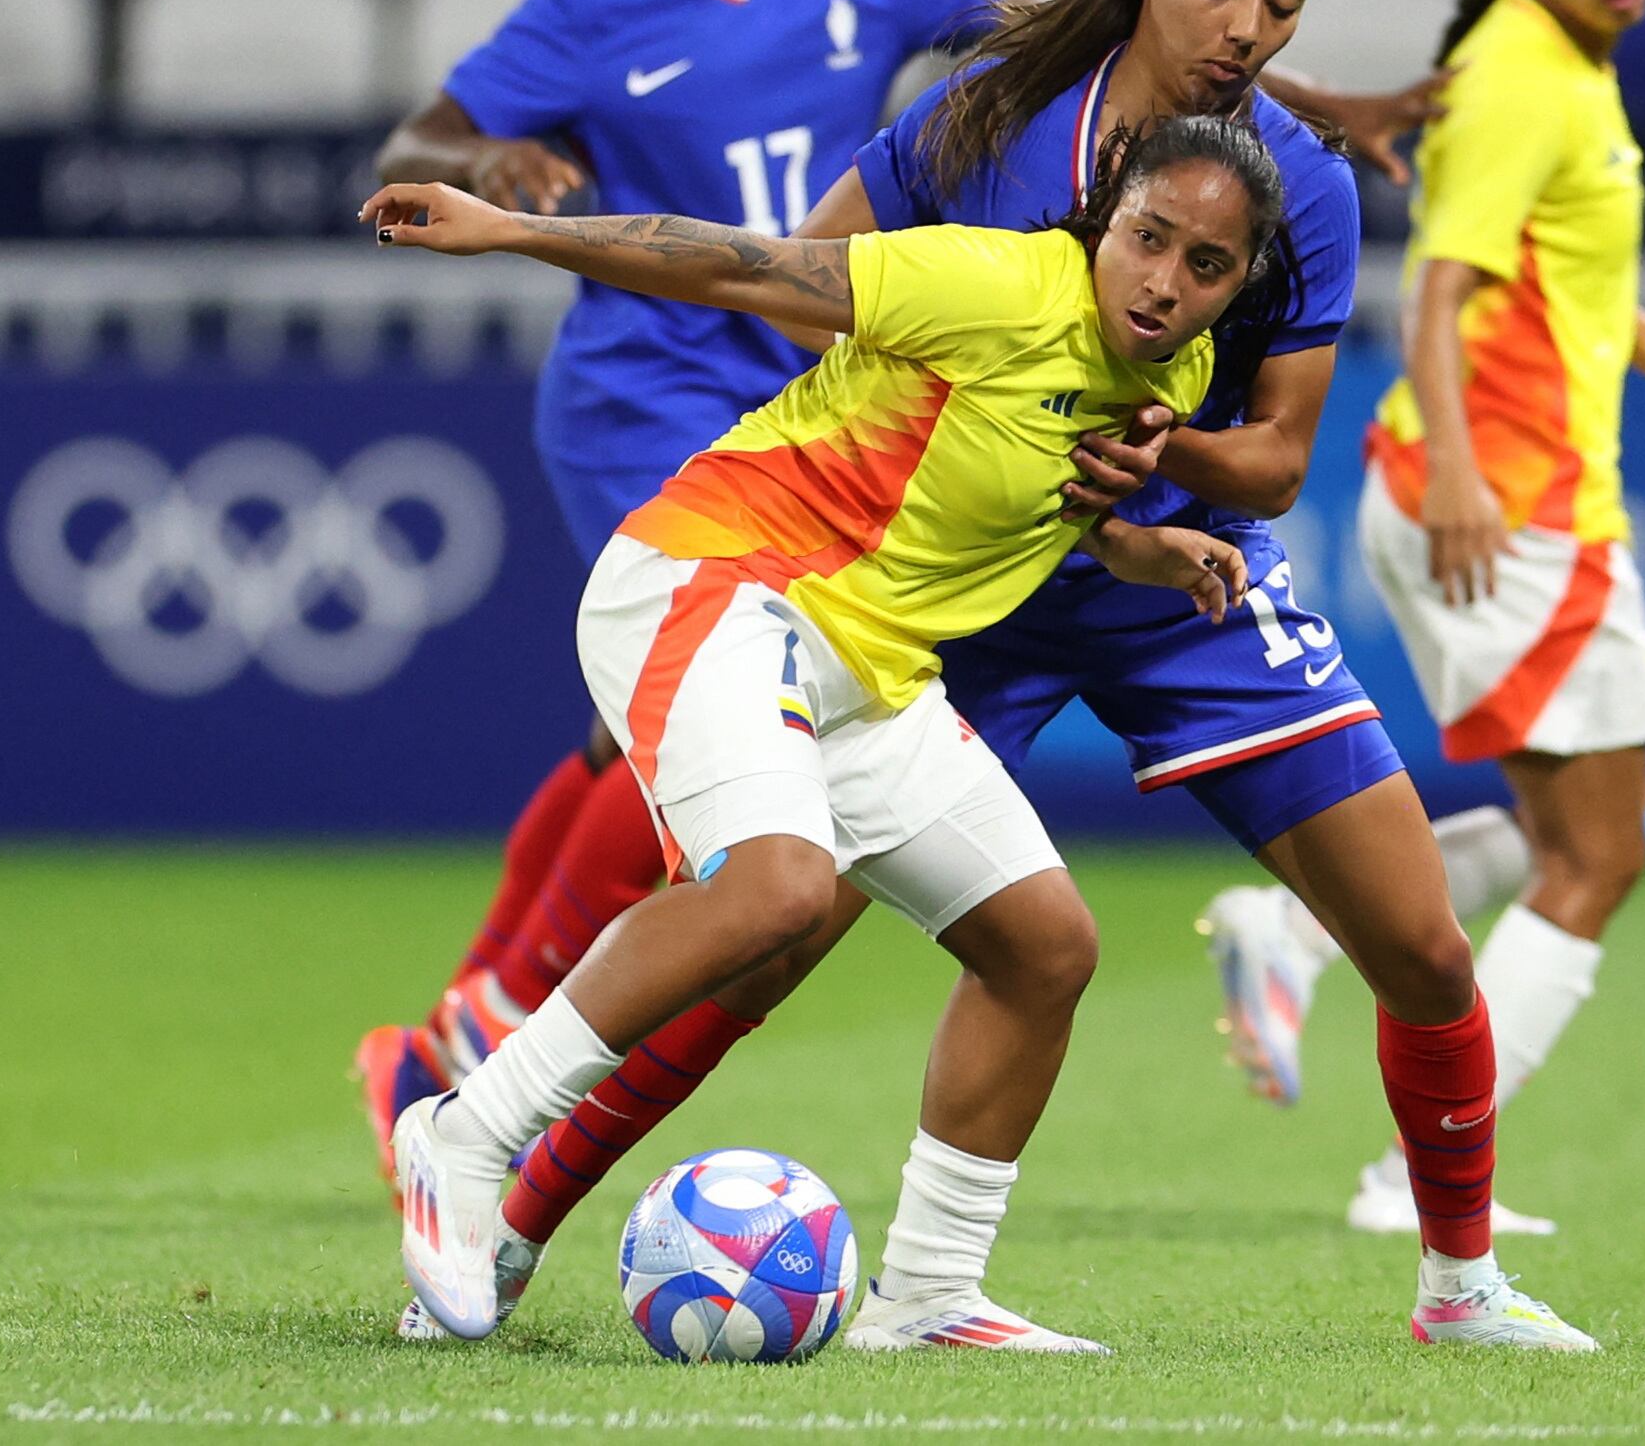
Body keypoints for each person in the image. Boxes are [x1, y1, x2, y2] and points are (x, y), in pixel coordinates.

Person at [389, 0, 1599, 1356]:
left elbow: (1278, 455)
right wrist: (872, 459)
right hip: (952, 584)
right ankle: (503, 1214)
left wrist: (1164, 461)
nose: (1249, 27)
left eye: (1284, 5)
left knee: (1415, 940)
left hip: (1169, 571)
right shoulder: (987, 121)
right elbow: (802, 274)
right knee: (767, 928)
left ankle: (1457, 1283)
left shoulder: (1295, 184)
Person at [356, 0, 1450, 1175]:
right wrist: (512, 197)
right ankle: (497, 1104)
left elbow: (1091, 19)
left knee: (1310, 942)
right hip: (762, 430)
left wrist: (1308, 118)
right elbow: (758, 255)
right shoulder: (635, 22)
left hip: (1055, 509)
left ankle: (496, 1035)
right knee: (715, 819)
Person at [365, 117, 1270, 1348]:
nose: (1165, 281)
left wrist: (1136, 548)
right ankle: (464, 1135)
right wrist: (521, 231)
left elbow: (1033, 484)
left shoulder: (1171, 372)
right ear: (1103, 219)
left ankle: (931, 1292)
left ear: (1240, 278)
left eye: (1205, 264)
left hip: (867, 669)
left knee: (1044, 945)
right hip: (720, 578)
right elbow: (740, 264)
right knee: (776, 891)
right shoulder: (990, 281)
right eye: (1147, 239)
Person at [1199, 0, 1645, 1242]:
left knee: (1588, 829)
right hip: (1504, 508)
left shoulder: (1550, 64)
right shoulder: (1522, 78)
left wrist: (1641, 328)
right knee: (1596, 854)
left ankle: (1301, 933)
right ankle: (1414, 1177)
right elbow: (1434, 286)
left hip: (1509, 493)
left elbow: (1523, 274)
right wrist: (1452, 472)